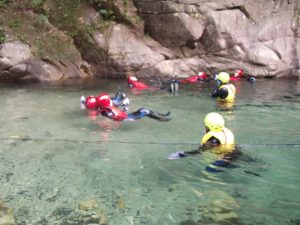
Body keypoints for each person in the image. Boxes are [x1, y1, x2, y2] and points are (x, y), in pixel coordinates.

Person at [168, 112, 237, 171]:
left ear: (208, 127)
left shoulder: (211, 141)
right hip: (236, 154)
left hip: (225, 161)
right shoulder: (224, 132)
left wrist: (181, 154)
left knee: (208, 171)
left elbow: (199, 151)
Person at [85, 93, 171, 122]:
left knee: (143, 109)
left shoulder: (103, 108)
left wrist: (123, 109)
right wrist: (127, 120)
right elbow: (113, 117)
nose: (109, 100)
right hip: (127, 118)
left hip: (125, 115)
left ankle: (161, 115)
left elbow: (115, 113)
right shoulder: (105, 111)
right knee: (144, 111)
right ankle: (161, 119)